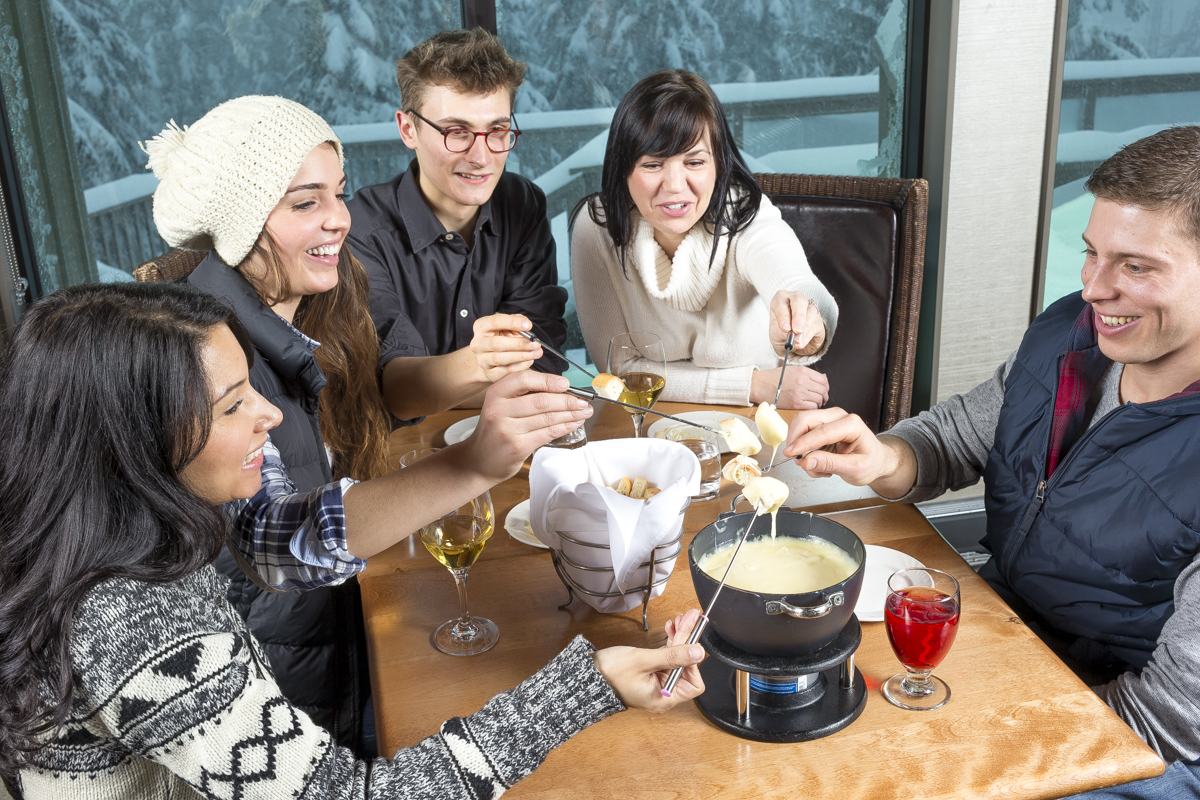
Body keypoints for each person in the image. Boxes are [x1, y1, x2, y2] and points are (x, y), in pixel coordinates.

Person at [0, 282, 707, 799]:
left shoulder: (89, 537)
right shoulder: (145, 628)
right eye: (233, 405)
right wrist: (587, 685)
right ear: (133, 442)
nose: (270, 416)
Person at [142, 94, 594, 755]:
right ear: (241, 223)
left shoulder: (327, 283)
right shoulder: (206, 356)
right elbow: (270, 545)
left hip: (363, 611)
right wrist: (473, 463)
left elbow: (389, 372)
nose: (338, 219)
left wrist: (471, 366)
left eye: (339, 193)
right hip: (290, 676)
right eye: (305, 203)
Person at [780, 127, 1200, 797]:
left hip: (1130, 730)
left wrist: (976, 738)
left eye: (1136, 266)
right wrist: (881, 454)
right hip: (1014, 633)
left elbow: (1170, 719)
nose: (1093, 287)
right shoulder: (1072, 334)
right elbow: (954, 438)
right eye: (1092, 254)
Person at [572, 70, 838, 409]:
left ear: (719, 165)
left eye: (694, 161)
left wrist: (806, 317)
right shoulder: (599, 227)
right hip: (649, 415)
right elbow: (619, 372)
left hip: (757, 419)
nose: (674, 185)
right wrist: (752, 385)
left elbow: (799, 282)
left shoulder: (744, 215)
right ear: (623, 170)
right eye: (653, 165)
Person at [346, 28, 567, 422]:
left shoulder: (524, 203)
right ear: (408, 129)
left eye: (497, 130)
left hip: (505, 438)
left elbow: (543, 355)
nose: (482, 157)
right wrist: (478, 366)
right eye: (457, 132)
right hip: (399, 457)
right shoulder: (361, 229)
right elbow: (389, 389)